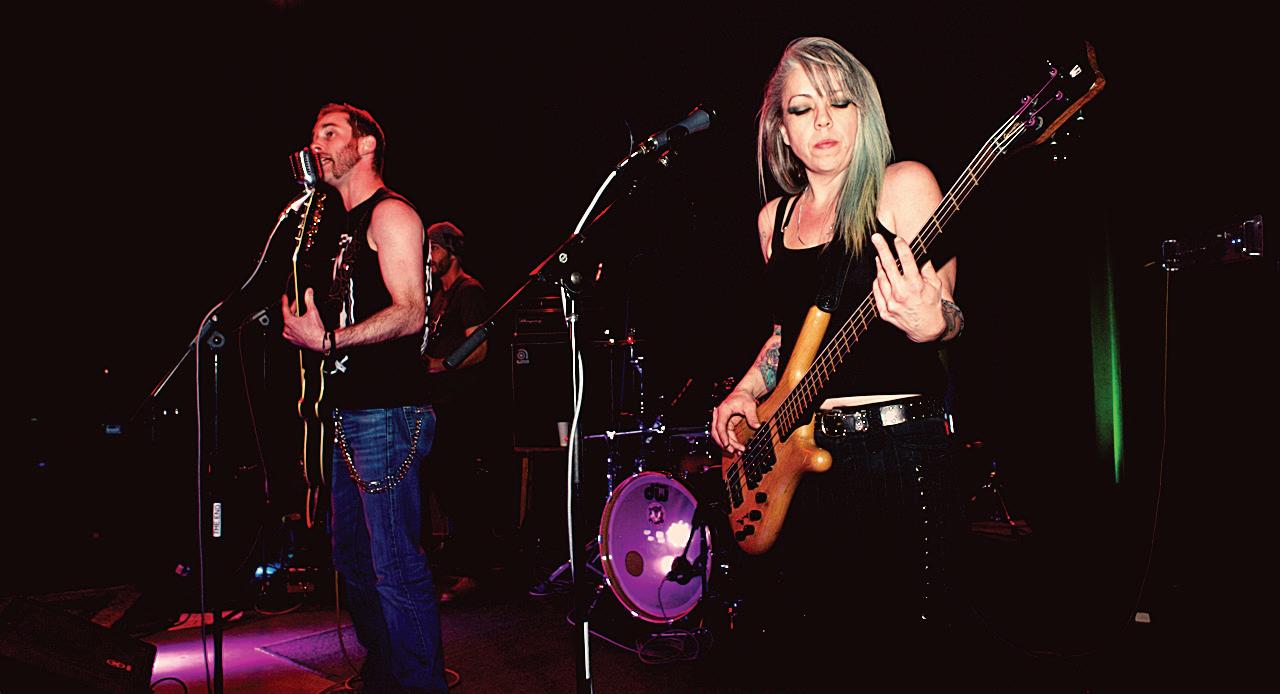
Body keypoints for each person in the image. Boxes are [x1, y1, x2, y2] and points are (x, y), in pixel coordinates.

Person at [709, 37, 968, 689]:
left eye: (839, 102)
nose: (822, 120)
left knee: (903, 660)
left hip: (895, 457)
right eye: (802, 108)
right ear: (781, 129)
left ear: (864, 112)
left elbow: (947, 309)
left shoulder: (902, 185)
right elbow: (784, 336)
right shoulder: (774, 221)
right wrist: (745, 391)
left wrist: (932, 321)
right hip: (800, 468)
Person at [281, 103, 447, 693]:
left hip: (387, 412)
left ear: (368, 144)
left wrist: (328, 340)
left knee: (395, 563)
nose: (318, 144)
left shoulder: (391, 213)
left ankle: (421, 683)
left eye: (331, 132)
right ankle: (386, 671)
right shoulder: (334, 226)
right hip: (348, 413)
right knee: (351, 558)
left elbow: (410, 312)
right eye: (314, 135)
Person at [419, 221, 491, 603]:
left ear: (451, 250)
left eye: (433, 248)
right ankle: (454, 563)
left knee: (460, 488)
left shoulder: (469, 291)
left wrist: (441, 365)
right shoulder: (439, 296)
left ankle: (474, 572)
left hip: (461, 407)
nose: (428, 256)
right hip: (438, 406)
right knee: (442, 486)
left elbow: (479, 346)